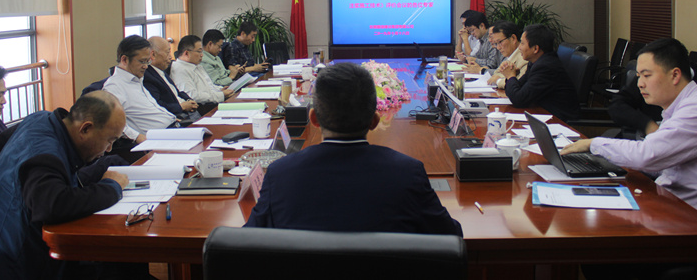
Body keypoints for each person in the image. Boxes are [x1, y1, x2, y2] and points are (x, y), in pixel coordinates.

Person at [244, 62, 462, 236]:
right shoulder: (407, 174)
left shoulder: (280, 174)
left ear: (314, 119)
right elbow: (451, 235)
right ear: (374, 121)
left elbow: (246, 243)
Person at [562, 38, 697, 218]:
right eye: (639, 75)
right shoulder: (679, 107)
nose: (640, 83)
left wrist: (594, 144)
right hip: (678, 207)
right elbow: (660, 164)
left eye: (647, 75)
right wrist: (603, 162)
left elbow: (648, 156)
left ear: (675, 75)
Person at [0, 91, 130, 279]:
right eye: (110, 140)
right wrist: (111, 187)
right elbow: (52, 205)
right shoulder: (45, 155)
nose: (109, 149)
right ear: (85, 129)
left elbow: (3, 140)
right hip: (19, 261)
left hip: (2, 237)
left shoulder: (41, 118)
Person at [103, 35, 178, 143]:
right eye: (142, 61)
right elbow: (111, 122)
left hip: (172, 128)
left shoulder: (137, 79)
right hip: (157, 139)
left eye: (148, 61)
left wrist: (169, 117)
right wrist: (137, 137)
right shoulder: (114, 87)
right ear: (124, 59)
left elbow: (152, 108)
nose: (146, 66)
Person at [499, 24, 579, 122]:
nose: (519, 47)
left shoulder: (546, 67)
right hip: (542, 114)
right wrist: (511, 76)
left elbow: (519, 100)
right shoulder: (536, 62)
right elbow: (518, 90)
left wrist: (510, 76)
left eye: (522, 43)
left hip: (559, 121)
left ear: (535, 49)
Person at [170, 35, 233, 109]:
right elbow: (192, 96)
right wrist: (221, 95)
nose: (202, 55)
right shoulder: (180, 69)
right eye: (199, 51)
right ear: (186, 53)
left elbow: (209, 86)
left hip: (212, 102)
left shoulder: (196, 65)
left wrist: (219, 90)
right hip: (202, 108)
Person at [143, 36, 199, 116]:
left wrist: (189, 100)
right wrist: (181, 107)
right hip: (176, 115)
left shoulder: (161, 71)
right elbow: (158, 105)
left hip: (187, 112)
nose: (170, 57)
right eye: (167, 52)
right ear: (153, 55)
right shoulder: (148, 77)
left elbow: (177, 92)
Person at [486, 21, 528, 89]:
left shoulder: (524, 58)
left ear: (513, 38)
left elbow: (518, 84)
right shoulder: (509, 56)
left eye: (500, 42)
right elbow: (496, 73)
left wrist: (498, 81)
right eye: (496, 43)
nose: (498, 47)